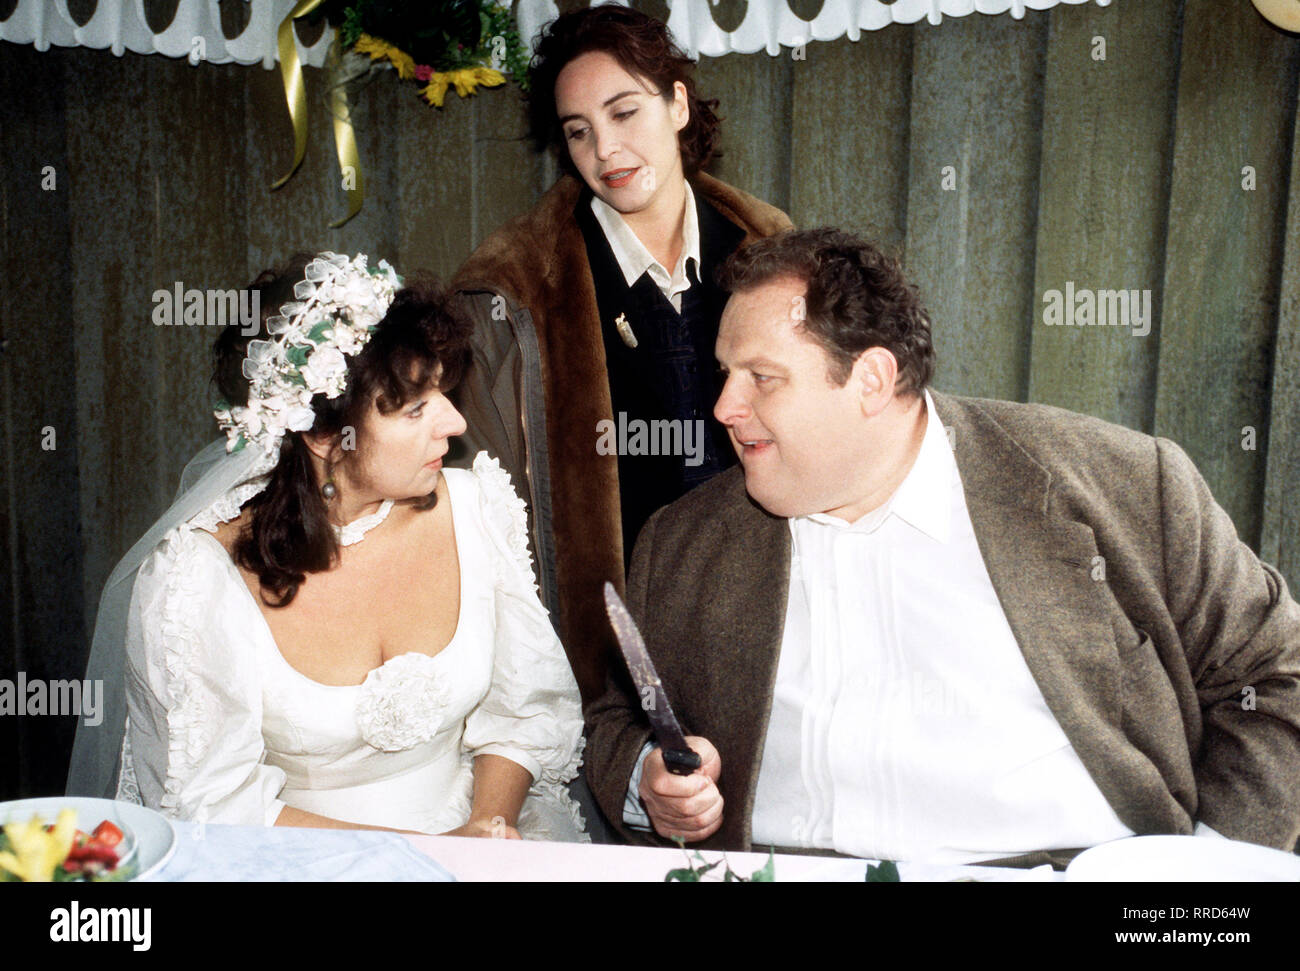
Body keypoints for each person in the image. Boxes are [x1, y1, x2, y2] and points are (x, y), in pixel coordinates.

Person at [584, 228, 1300, 864]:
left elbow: (1273, 673)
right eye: (724, 374)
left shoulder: (1123, 488)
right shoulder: (684, 542)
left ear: (870, 380)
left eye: (761, 378)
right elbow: (617, 719)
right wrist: (652, 779)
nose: (723, 407)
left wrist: (1217, 871)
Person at [66, 253, 587, 841]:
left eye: (443, 392)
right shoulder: (197, 580)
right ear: (321, 435)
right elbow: (215, 804)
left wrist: (485, 830)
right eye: (416, 408)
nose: (454, 424)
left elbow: (523, 715)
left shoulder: (474, 507)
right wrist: (434, 858)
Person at [451, 4, 792, 703]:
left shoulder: (773, 250)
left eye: (624, 112)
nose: (605, 150)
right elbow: (485, 521)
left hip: (766, 630)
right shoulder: (511, 293)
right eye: (579, 132)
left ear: (676, 104)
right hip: (604, 670)